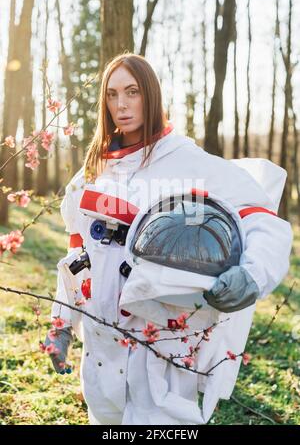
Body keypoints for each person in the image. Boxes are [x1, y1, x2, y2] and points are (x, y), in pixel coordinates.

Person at [46, 53, 293, 425]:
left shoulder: (189, 163)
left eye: (132, 92)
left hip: (161, 357)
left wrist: (253, 275)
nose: (121, 105)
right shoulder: (92, 173)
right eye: (112, 95)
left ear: (152, 96)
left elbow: (262, 222)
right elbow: (77, 259)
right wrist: (60, 325)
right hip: (99, 356)